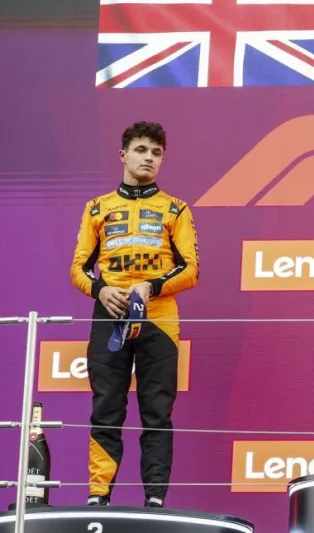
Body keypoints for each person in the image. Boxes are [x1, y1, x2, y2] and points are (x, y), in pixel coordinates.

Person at [70, 121, 200, 508]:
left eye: (156, 153)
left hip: (159, 320)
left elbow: (191, 269)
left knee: (157, 411)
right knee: (105, 407)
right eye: (142, 150)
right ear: (123, 154)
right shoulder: (97, 208)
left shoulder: (176, 209)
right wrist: (101, 289)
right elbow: (78, 268)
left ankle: (155, 500)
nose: (149, 158)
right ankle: (98, 497)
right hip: (109, 316)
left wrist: (152, 286)